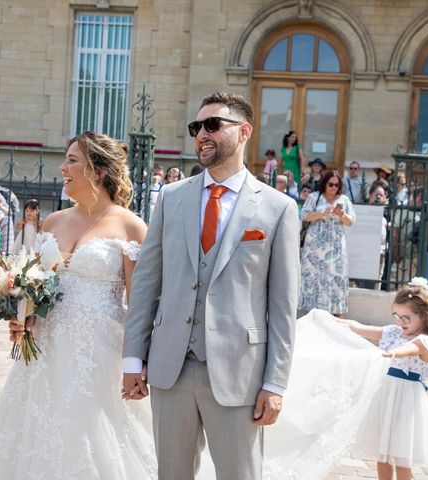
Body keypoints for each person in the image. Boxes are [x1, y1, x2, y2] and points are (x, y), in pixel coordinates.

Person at [122, 92, 300, 480]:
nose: (202, 133)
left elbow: (284, 306)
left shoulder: (277, 208)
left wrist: (275, 382)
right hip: (170, 368)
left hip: (241, 376)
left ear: (244, 131)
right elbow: (147, 283)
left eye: (213, 125)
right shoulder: (171, 197)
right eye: (196, 127)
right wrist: (133, 358)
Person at [0, 131, 154, 479]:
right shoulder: (52, 222)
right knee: (35, 433)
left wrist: (134, 365)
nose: (63, 167)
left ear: (98, 170)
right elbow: (33, 287)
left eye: (72, 160)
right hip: (45, 353)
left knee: (89, 441)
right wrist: (22, 316)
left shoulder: (131, 226)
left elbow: (139, 305)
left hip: (98, 355)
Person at [340, 280, 428, 480]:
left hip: (406, 403)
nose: (401, 322)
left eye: (407, 317)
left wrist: (394, 353)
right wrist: (331, 320)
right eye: (397, 316)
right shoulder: (393, 332)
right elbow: (358, 327)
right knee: (383, 455)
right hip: (385, 398)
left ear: (424, 316)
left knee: (401, 458)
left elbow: (411, 349)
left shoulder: (425, 341)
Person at [299, 170, 356, 315]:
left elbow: (351, 222)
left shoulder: (344, 199)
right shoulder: (314, 197)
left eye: (337, 185)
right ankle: (311, 312)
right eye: (331, 184)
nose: (333, 188)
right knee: (314, 275)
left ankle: (334, 312)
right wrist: (322, 213)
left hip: (335, 246)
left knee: (335, 276)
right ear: (325, 184)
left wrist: (342, 214)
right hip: (315, 246)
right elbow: (304, 215)